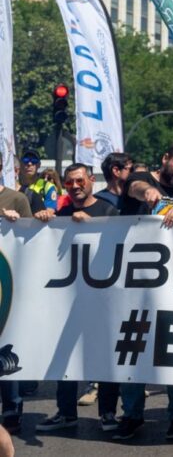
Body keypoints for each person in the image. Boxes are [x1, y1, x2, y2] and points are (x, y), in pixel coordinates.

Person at [114, 141, 173, 441]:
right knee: (133, 352)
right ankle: (132, 414)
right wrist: (150, 194)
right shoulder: (142, 178)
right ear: (165, 158)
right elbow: (136, 188)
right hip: (135, 287)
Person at [33, 164, 122, 435]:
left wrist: (94, 224)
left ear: (91, 180)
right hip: (68, 300)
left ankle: (108, 412)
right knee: (64, 358)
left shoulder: (109, 211)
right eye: (69, 182)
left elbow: (123, 242)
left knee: (104, 358)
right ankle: (66, 413)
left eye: (79, 181)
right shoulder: (62, 213)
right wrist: (43, 218)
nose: (74, 186)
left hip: (103, 300)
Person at [0, 152, 31, 435]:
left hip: (6, 284)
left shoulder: (17, 199)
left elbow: (33, 240)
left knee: (6, 348)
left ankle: (11, 409)